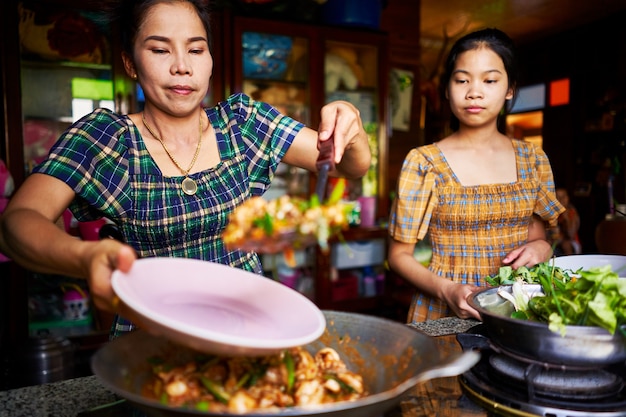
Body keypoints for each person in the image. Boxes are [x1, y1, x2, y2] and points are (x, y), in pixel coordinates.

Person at [0, 0, 371, 337]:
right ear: (130, 62)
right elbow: (17, 222)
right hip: (152, 341)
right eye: (160, 49)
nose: (182, 66)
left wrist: (350, 129)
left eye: (196, 49)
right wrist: (86, 257)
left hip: (249, 330)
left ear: (210, 58)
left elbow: (349, 167)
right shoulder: (106, 139)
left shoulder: (243, 123)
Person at [387, 28, 564, 323]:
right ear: (447, 89)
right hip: (443, 311)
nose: (474, 91)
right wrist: (447, 290)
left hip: (519, 310)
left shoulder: (533, 159)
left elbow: (537, 239)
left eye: (490, 80)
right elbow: (398, 256)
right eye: (462, 80)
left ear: (509, 89)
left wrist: (542, 247)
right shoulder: (423, 163)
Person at [555, 187, 582, 255]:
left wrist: (566, 219)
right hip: (555, 242)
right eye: (558, 197)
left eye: (563, 196)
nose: (561, 200)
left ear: (568, 198)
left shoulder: (572, 212)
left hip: (571, 243)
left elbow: (571, 234)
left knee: (566, 244)